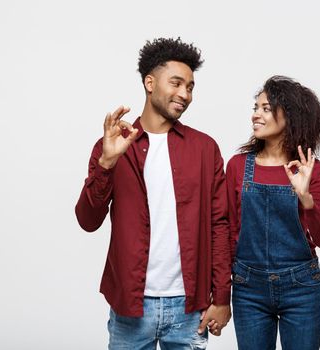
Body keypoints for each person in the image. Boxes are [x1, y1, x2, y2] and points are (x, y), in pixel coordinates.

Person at [75, 37, 231, 349]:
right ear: (150, 82)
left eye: (190, 87)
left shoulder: (205, 149)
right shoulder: (113, 145)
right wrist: (107, 162)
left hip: (189, 307)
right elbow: (87, 220)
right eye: (176, 83)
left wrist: (222, 298)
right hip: (131, 305)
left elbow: (220, 225)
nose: (184, 94)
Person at [225, 76, 320, 349]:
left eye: (265, 108)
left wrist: (305, 198)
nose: (255, 115)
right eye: (256, 107)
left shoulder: (312, 170)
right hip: (248, 287)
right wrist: (219, 292)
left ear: (291, 116)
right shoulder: (238, 166)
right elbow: (228, 230)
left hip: (301, 288)